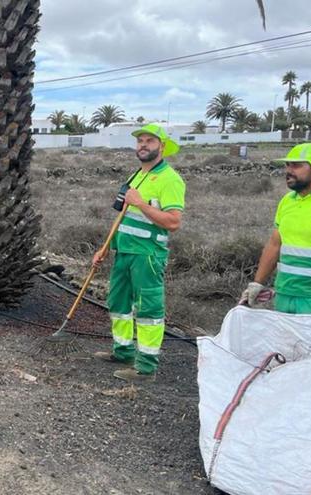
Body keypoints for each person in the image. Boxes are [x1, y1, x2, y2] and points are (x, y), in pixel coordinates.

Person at [93, 123, 186, 382]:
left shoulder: (170, 180)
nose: (143, 145)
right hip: (123, 251)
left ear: (162, 146)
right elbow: (122, 216)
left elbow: (173, 222)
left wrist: (142, 204)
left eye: (150, 141)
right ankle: (122, 351)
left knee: (148, 310)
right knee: (118, 304)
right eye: (140, 141)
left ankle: (146, 367)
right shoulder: (137, 176)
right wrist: (104, 248)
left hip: (147, 255)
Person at [241, 143, 311, 315]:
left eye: (297, 165)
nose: (289, 170)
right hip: (285, 295)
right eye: (287, 165)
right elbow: (274, 245)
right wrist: (257, 283)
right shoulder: (287, 201)